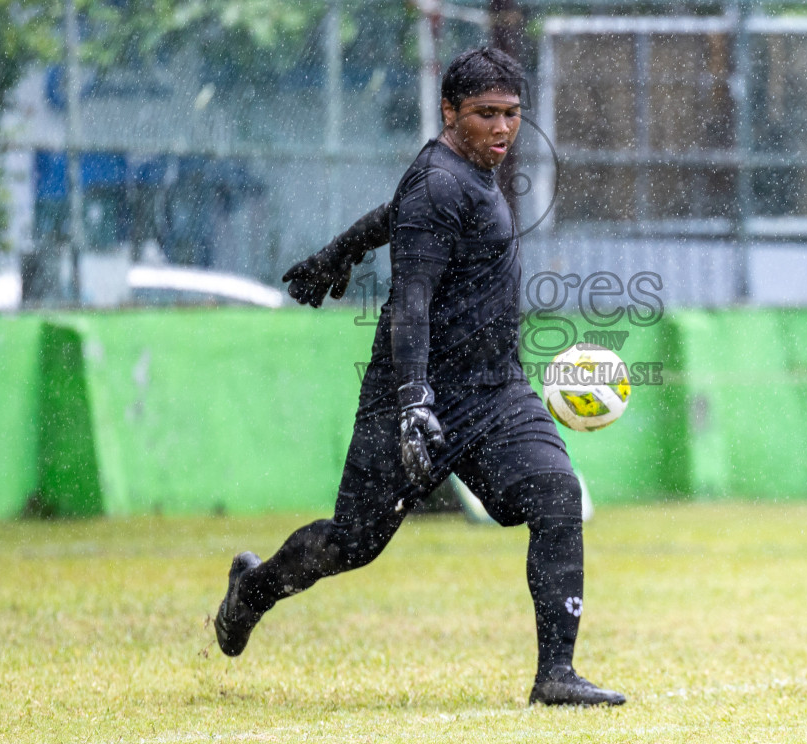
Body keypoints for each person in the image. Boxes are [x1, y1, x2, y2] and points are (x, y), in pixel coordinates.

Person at [213, 46, 624, 707]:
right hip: (413, 397)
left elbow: (390, 215)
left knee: (554, 494)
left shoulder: (455, 178)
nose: (501, 128)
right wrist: (411, 402)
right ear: (449, 112)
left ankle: (556, 674)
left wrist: (337, 251)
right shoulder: (440, 182)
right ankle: (251, 593)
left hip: (494, 394)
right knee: (351, 543)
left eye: (512, 114)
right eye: (485, 114)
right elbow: (409, 299)